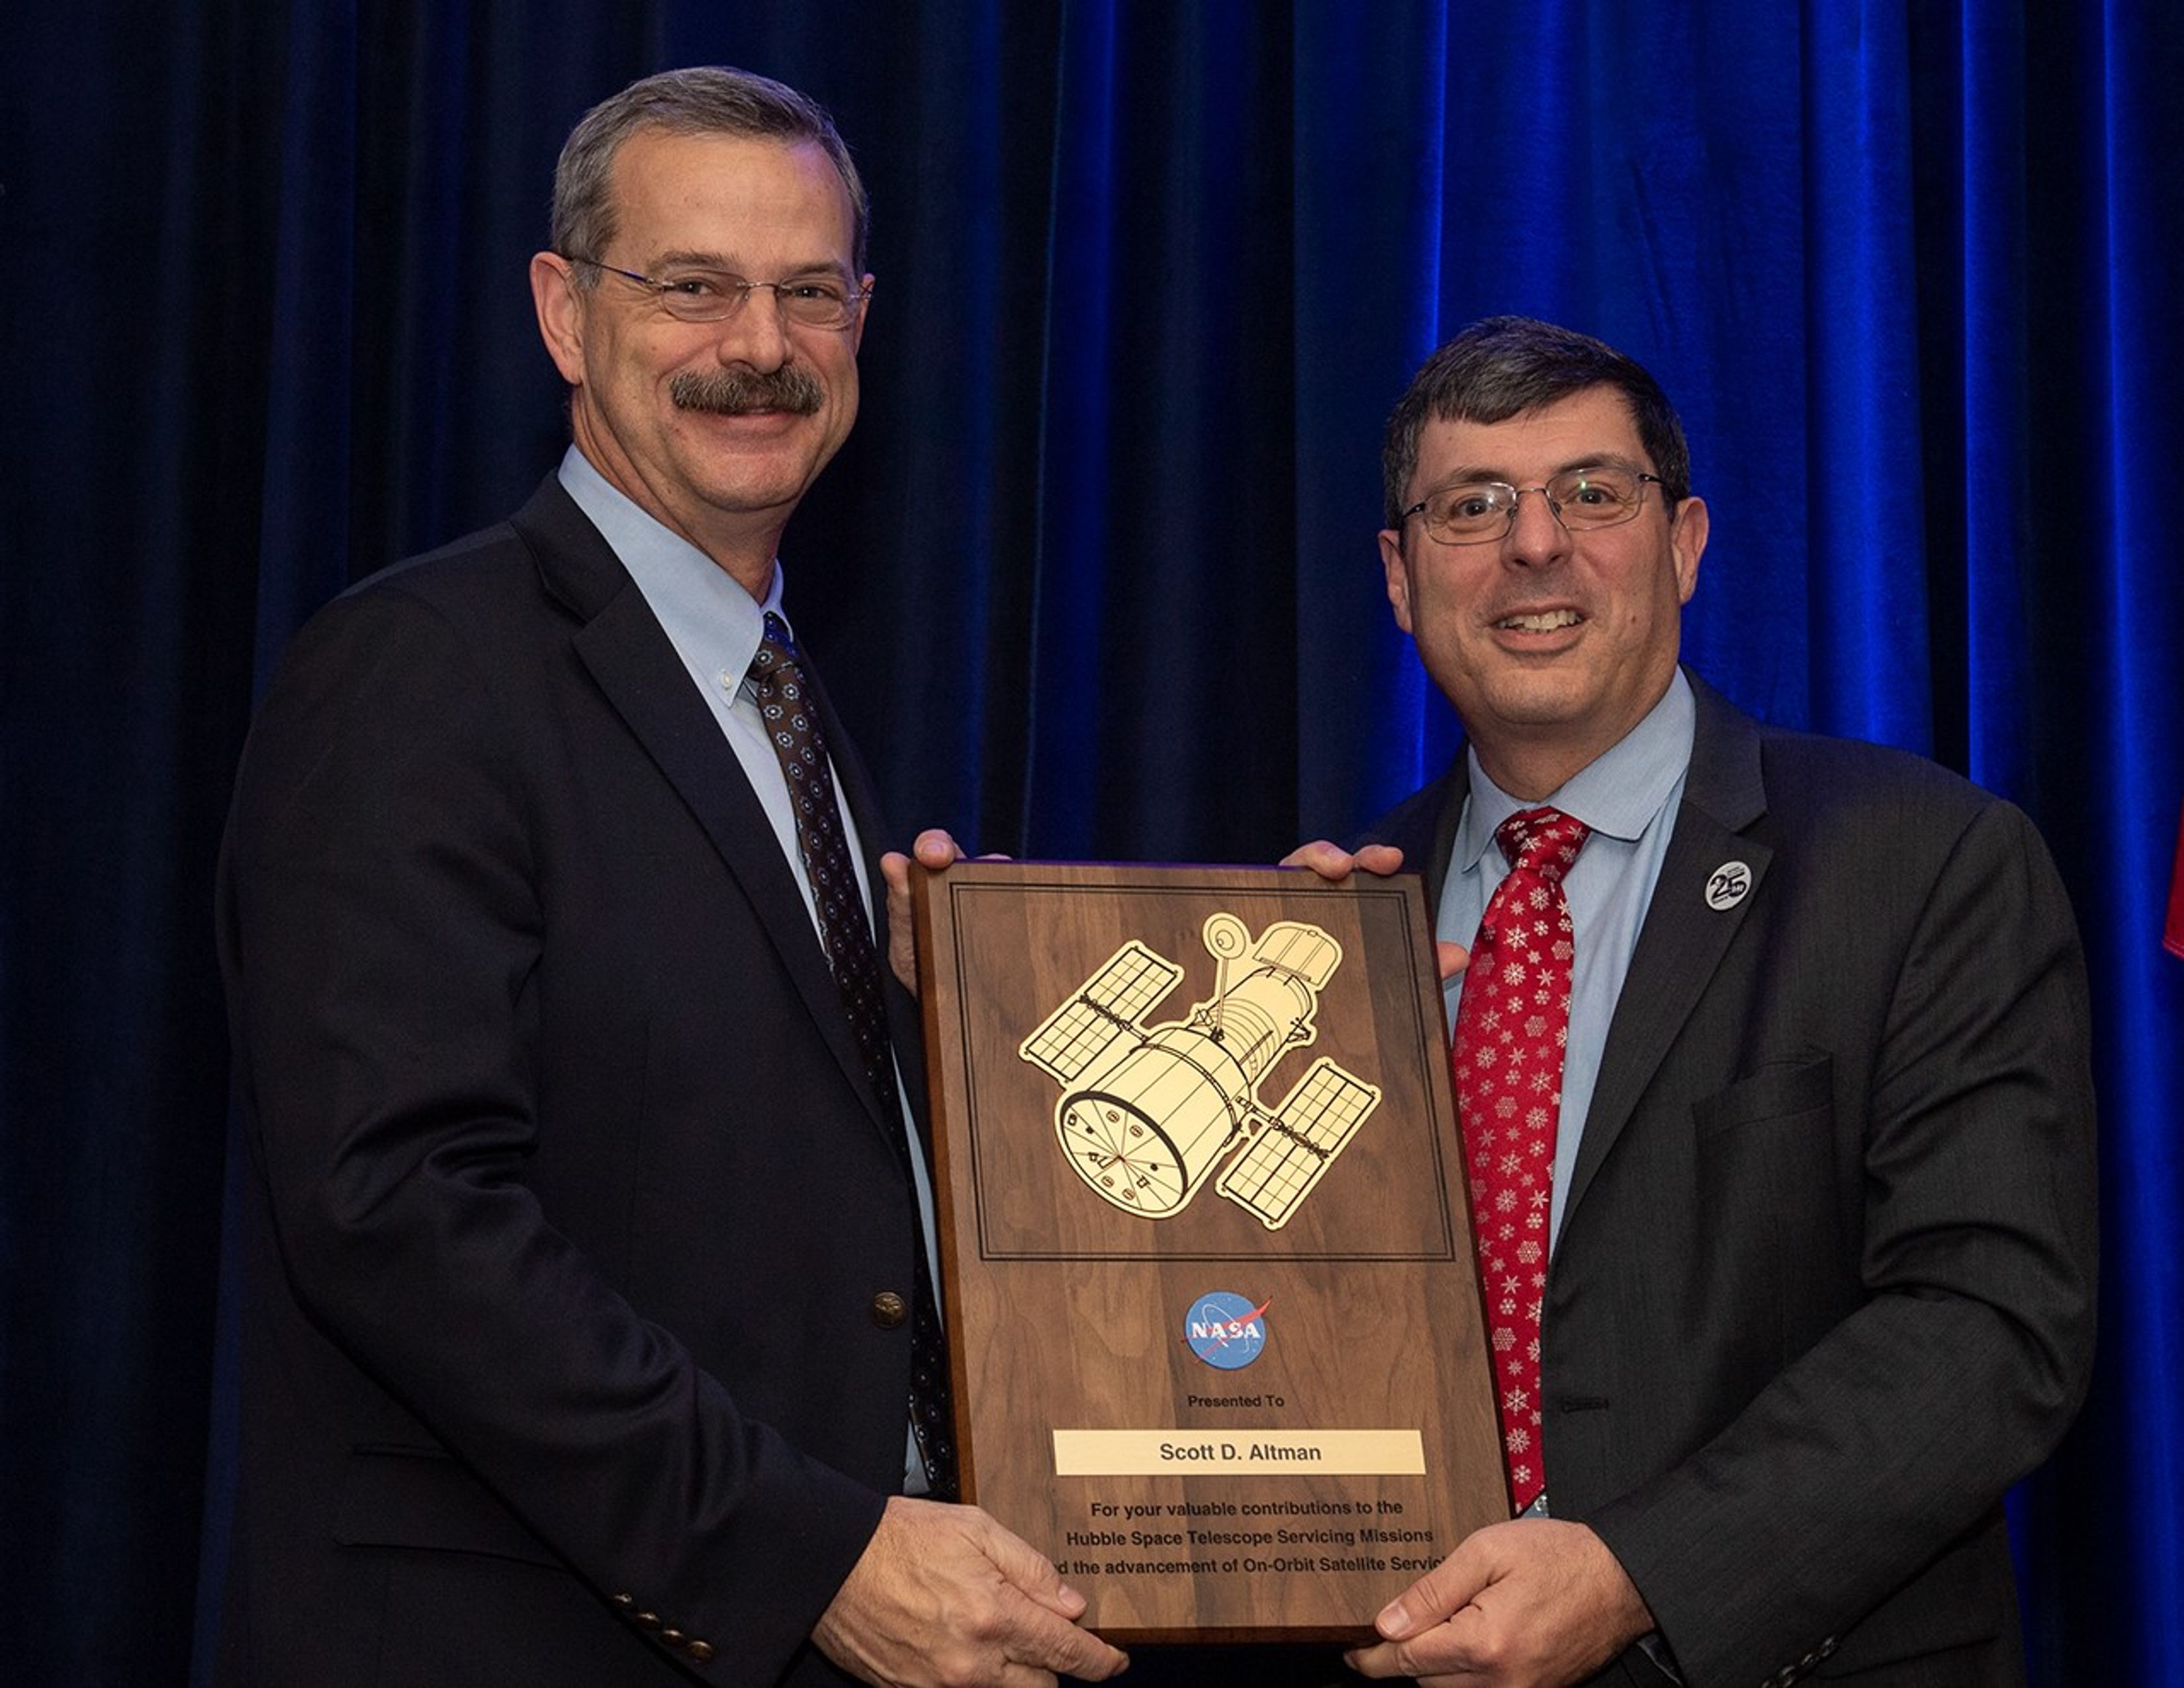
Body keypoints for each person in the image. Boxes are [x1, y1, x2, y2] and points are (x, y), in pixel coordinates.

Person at [214, 66, 1127, 1688]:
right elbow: (398, 1210)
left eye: (809, 293)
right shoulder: (423, 672)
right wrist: (810, 1551)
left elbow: (748, 1163)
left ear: (864, 323)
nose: (758, 347)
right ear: (567, 316)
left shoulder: (788, 708)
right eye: (692, 286)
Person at [1293, 316, 2097, 1687]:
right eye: (1473, 506)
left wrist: (1636, 1575)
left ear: (1685, 543)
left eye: (1593, 494)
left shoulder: (1924, 863)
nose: (1535, 546)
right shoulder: (1322, 930)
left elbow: (1988, 1323)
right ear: (1399, 575)